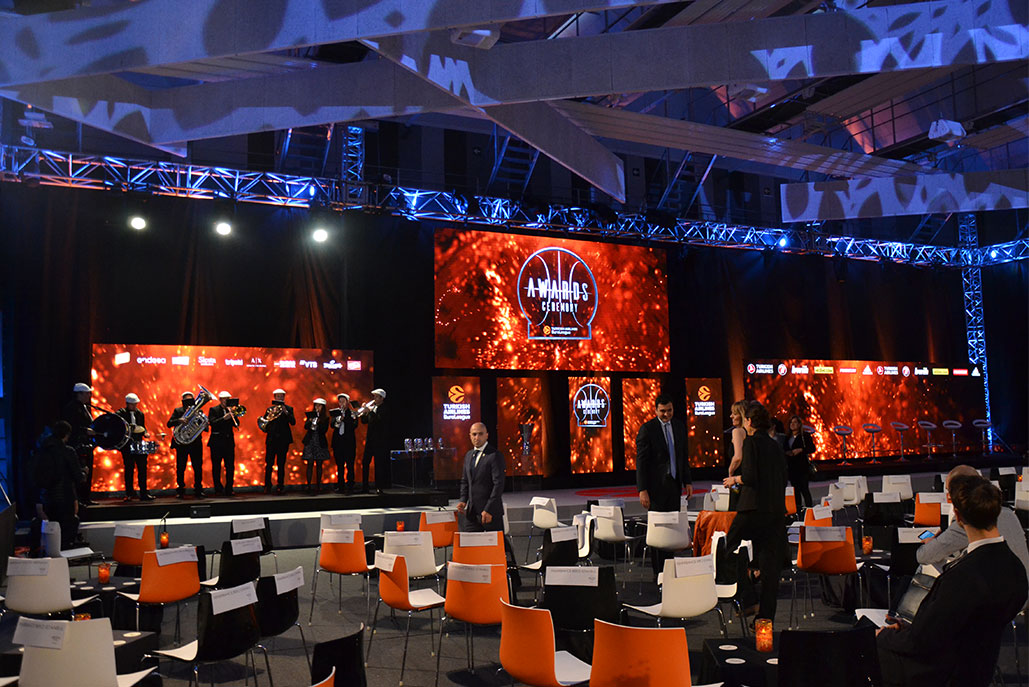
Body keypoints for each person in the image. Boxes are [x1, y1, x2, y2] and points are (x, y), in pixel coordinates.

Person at [877, 474, 1028, 686]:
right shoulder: (1015, 568)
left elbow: (921, 642)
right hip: (977, 668)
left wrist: (882, 636)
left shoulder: (964, 577)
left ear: (957, 515)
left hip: (939, 671)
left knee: (858, 648)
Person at [722, 401, 787, 621]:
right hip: (775, 511)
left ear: (749, 421)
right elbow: (783, 478)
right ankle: (764, 620)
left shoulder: (751, 442)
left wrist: (735, 479)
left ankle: (748, 598)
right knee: (769, 569)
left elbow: (749, 476)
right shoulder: (776, 445)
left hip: (752, 508)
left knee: (726, 549)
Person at [916, 464, 1029, 578]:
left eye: (949, 491)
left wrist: (932, 543)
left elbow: (924, 556)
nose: (948, 497)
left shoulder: (969, 519)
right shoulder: (1009, 514)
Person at [636, 392, 693, 574]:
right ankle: (658, 573)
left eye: (669, 410)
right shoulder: (648, 429)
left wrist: (687, 481)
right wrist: (642, 489)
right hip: (655, 489)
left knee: (672, 529)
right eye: (662, 411)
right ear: (655, 410)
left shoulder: (679, 427)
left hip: (674, 486)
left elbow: (683, 456)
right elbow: (641, 462)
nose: (666, 414)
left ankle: (668, 570)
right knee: (659, 530)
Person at [33, 421, 85, 549]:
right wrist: (84, 472)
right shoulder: (68, 451)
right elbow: (78, 477)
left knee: (50, 532)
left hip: (46, 499)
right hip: (65, 498)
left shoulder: (41, 451)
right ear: (67, 435)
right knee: (66, 533)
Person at [456, 423, 505, 532]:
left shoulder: (494, 455)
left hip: (490, 513)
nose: (477, 437)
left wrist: (489, 509)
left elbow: (498, 485)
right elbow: (465, 481)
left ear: (487, 435)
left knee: (495, 543)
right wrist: (463, 500)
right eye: (474, 434)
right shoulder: (469, 455)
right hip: (472, 513)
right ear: (470, 435)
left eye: (480, 434)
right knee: (470, 541)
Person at [60, 382, 96, 506]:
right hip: (77, 444)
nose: (89, 396)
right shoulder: (72, 408)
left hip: (85, 444)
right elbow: (72, 426)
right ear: (79, 394)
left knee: (87, 471)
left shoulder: (84, 407)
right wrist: (85, 431)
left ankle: (86, 497)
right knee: (80, 471)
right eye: (87, 393)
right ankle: (79, 499)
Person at [167, 391, 205, 499]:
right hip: (182, 444)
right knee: (181, 467)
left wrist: (203, 424)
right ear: (183, 401)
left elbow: (202, 426)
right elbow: (169, 423)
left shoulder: (198, 411)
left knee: (197, 467)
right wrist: (179, 420)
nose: (189, 402)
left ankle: (198, 489)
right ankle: (180, 490)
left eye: (190, 400)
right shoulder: (178, 411)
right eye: (186, 400)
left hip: (195, 443)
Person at [117, 393, 152, 501]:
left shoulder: (140, 414)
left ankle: (143, 493)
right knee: (129, 469)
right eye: (132, 404)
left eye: (135, 404)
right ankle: (129, 493)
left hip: (138, 443)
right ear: (127, 404)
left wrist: (145, 433)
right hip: (127, 445)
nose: (134, 406)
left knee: (142, 468)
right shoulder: (121, 413)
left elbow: (142, 427)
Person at [259, 388, 295, 495]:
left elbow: (293, 422)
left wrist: (286, 412)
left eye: (282, 396)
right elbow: (265, 424)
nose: (280, 398)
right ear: (274, 397)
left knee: (281, 464)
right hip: (272, 440)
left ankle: (280, 485)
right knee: (269, 464)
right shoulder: (270, 409)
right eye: (278, 396)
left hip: (283, 441)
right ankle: (267, 485)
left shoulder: (289, 409)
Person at [208, 391, 239, 496]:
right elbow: (212, 423)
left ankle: (229, 488)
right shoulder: (213, 410)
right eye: (224, 399)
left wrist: (233, 415)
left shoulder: (231, 410)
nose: (226, 401)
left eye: (228, 399)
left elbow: (237, 424)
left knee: (230, 466)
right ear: (220, 400)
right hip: (216, 443)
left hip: (228, 442)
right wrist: (224, 418)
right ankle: (218, 489)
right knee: (216, 466)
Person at [360, 388, 389, 493]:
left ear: (382, 398)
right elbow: (364, 421)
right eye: (374, 396)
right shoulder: (373, 408)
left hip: (379, 441)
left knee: (378, 464)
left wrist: (370, 411)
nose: (374, 398)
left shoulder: (384, 409)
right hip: (370, 440)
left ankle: (379, 487)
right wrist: (363, 412)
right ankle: (365, 487)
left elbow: (379, 420)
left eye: (376, 397)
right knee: (365, 462)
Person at [784, 414, 816, 508]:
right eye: (791, 422)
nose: (792, 424)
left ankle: (809, 508)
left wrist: (801, 450)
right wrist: (787, 453)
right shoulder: (787, 437)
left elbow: (812, 448)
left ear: (799, 424)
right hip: (791, 467)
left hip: (802, 467)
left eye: (795, 422)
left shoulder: (805, 436)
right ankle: (798, 509)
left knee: (804, 489)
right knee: (796, 491)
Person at [302, 398, 331, 494]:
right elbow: (306, 427)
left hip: (319, 442)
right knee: (310, 463)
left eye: (319, 405)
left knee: (319, 464)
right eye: (316, 405)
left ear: (323, 407)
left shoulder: (325, 418)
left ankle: (319, 485)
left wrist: (319, 422)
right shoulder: (311, 415)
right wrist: (310, 421)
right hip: (310, 442)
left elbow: (324, 430)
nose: (317, 407)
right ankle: (308, 485)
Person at [330, 393, 357, 494]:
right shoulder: (336, 413)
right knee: (339, 465)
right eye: (340, 401)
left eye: (343, 401)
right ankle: (340, 486)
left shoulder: (352, 413)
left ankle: (350, 486)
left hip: (349, 443)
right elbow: (332, 425)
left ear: (347, 402)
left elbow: (354, 425)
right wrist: (338, 419)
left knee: (350, 465)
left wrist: (344, 418)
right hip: (338, 443)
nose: (341, 403)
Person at [726, 399, 747, 510]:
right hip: (747, 479)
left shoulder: (737, 431)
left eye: (734, 414)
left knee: (735, 509)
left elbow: (738, 457)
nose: (731, 416)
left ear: (742, 415)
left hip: (737, 478)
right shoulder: (751, 433)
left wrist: (730, 471)